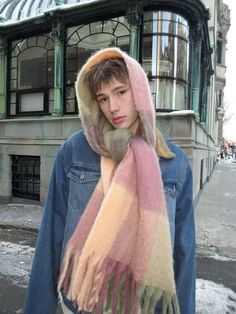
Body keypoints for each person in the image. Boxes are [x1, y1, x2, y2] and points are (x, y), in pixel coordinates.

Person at [24, 47, 195, 314]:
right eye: (102, 98)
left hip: (144, 306)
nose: (112, 107)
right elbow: (51, 235)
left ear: (139, 92)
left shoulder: (174, 162)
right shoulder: (75, 150)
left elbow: (183, 254)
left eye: (121, 92)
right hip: (82, 301)